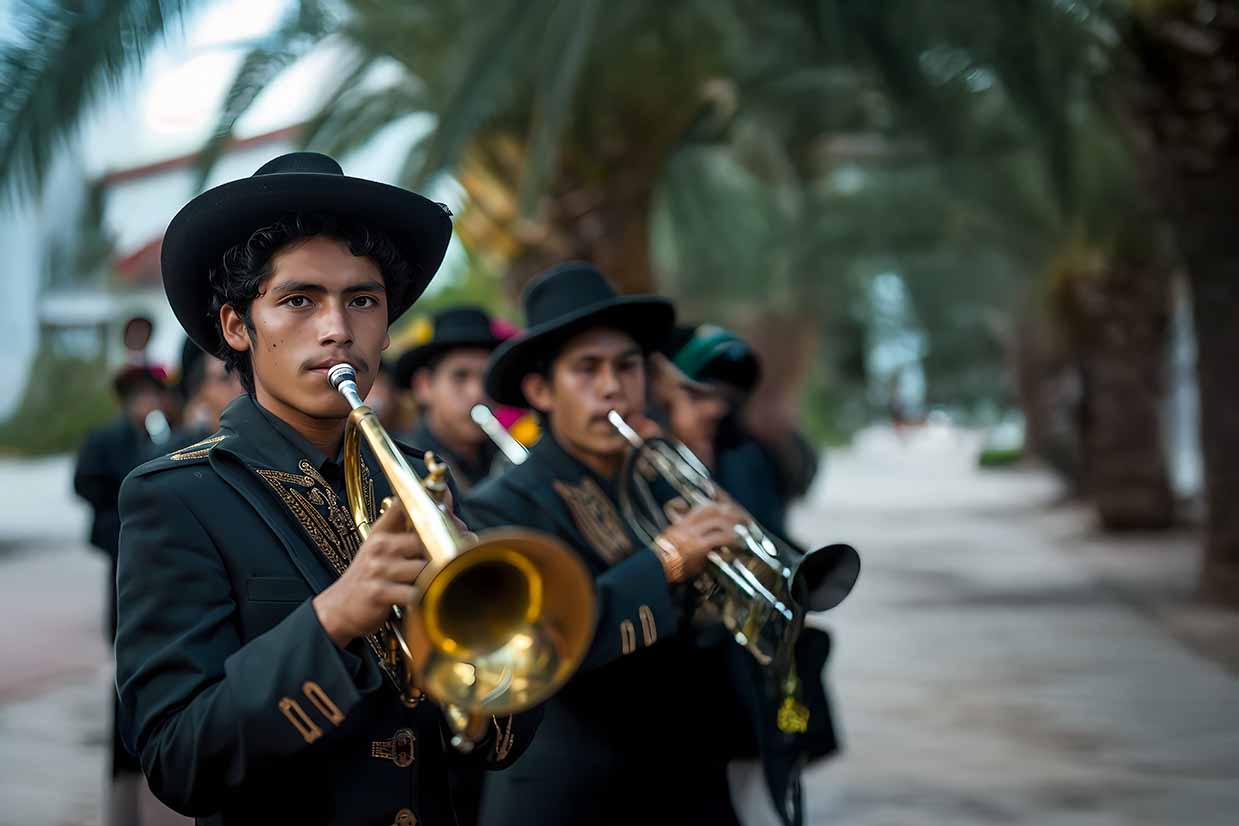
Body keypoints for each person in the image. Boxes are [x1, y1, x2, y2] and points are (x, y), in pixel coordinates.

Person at [114, 152, 541, 826]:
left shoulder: (415, 471)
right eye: (298, 300)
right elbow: (178, 759)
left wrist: (478, 623)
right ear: (236, 326)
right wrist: (336, 616)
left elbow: (495, 743)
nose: (337, 329)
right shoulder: (176, 495)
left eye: (362, 300)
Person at [464, 263, 839, 826]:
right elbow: (540, 650)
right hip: (572, 791)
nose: (612, 386)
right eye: (586, 370)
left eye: (627, 366)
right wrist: (666, 561)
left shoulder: (663, 472)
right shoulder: (501, 504)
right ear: (541, 390)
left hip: (689, 780)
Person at [74, 363, 173, 824]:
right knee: (127, 668)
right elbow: (85, 486)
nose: (147, 403)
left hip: (156, 563)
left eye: (152, 394)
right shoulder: (105, 438)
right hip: (122, 558)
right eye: (139, 395)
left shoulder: (161, 436)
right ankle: (124, 784)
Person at [395, 306, 505, 491]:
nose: (477, 392)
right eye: (460, 377)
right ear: (424, 386)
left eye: (487, 378)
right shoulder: (399, 463)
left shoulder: (505, 457)